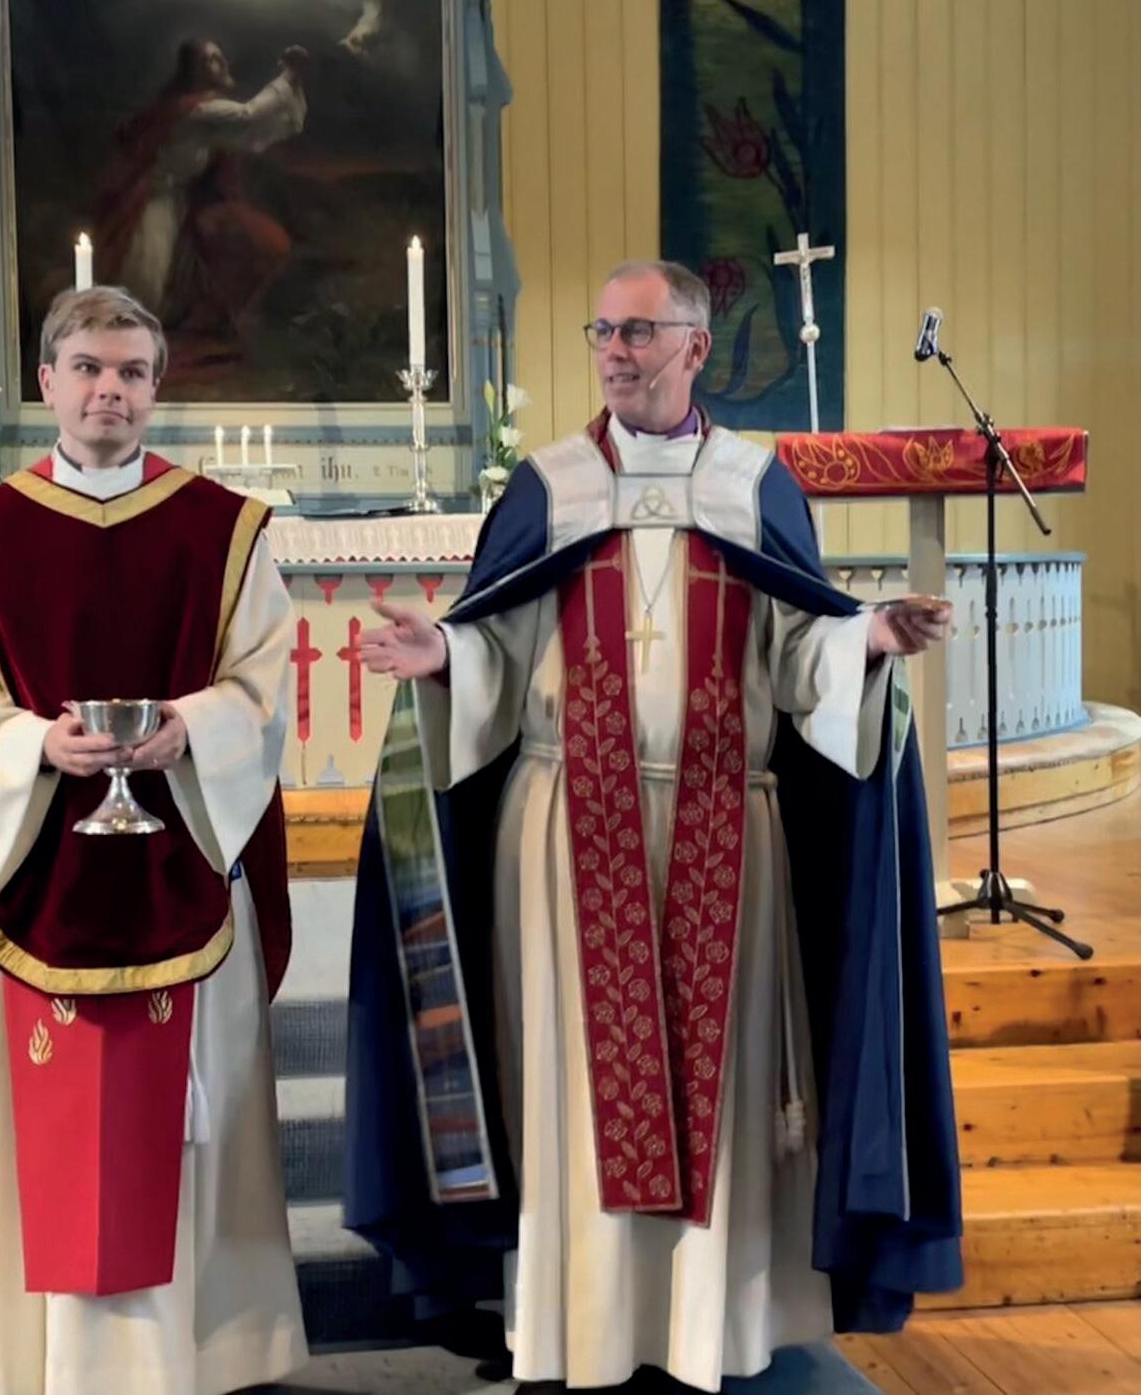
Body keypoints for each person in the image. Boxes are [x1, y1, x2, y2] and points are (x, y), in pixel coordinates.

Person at [343, 260, 963, 1392]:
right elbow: (497, 648)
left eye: (637, 332)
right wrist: (444, 654)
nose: (615, 352)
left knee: (722, 1086)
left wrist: (862, 640)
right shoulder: (550, 488)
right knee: (574, 1083)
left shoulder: (753, 487)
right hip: (565, 831)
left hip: (730, 825)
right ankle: (579, 1319)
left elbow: (797, 649)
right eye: (602, 332)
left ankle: (705, 1323)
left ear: (694, 346)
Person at [0, 285, 306, 1395]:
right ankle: (40, 1364)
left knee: (185, 1137)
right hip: (41, 872)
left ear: (156, 387)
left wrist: (191, 728)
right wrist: (34, 743)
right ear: (46, 382)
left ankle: (194, 1361)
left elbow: (261, 687)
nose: (108, 391)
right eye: (86, 368)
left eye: (130, 372)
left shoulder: (222, 531)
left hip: (180, 862)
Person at [94, 39, 308, 334]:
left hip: (181, 201)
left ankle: (173, 324)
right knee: (147, 277)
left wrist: (293, 82)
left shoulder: (206, 115)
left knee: (179, 274)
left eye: (221, 57)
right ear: (196, 71)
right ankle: (131, 335)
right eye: (213, 59)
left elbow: (258, 134)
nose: (223, 63)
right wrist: (286, 76)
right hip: (154, 201)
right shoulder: (194, 110)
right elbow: (249, 114)